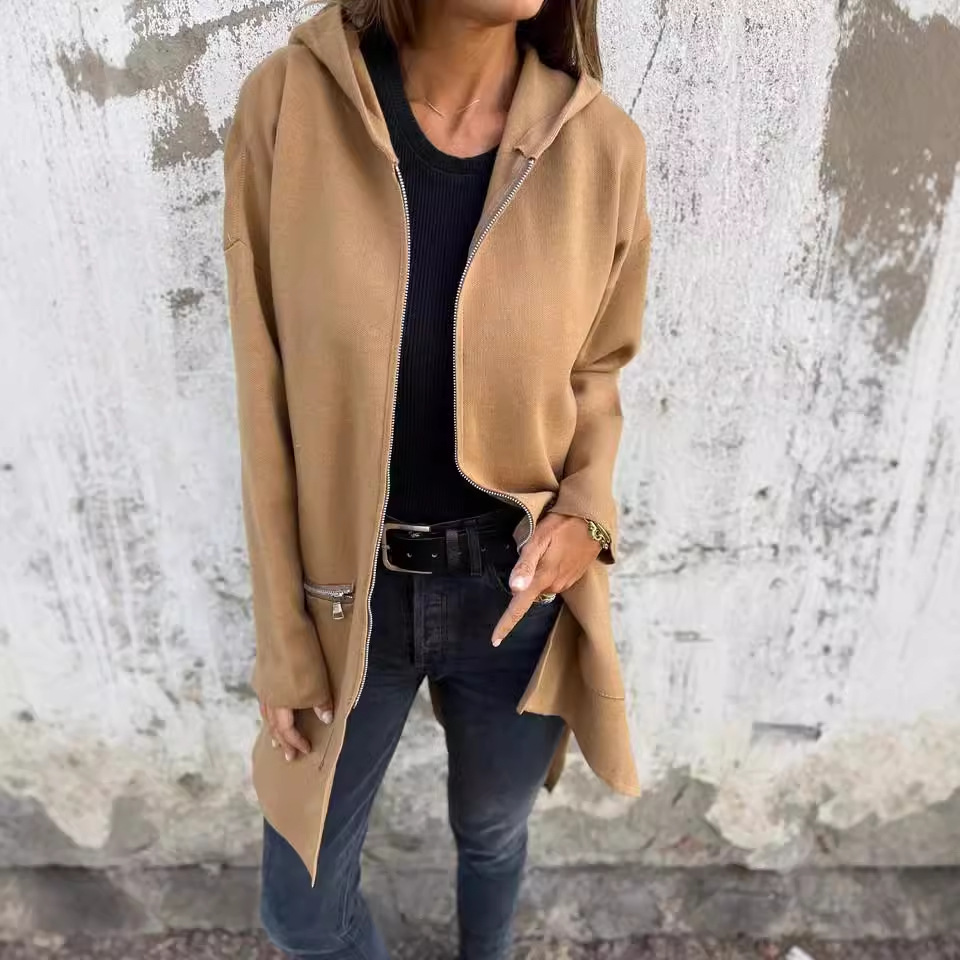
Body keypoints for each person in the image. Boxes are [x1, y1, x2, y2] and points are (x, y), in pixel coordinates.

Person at [222, 0, 651, 956]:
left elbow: (598, 370)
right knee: (302, 914)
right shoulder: (289, 106)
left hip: (515, 595)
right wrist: (281, 635)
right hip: (348, 597)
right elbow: (264, 388)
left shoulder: (601, 146)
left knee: (493, 831)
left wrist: (585, 514)